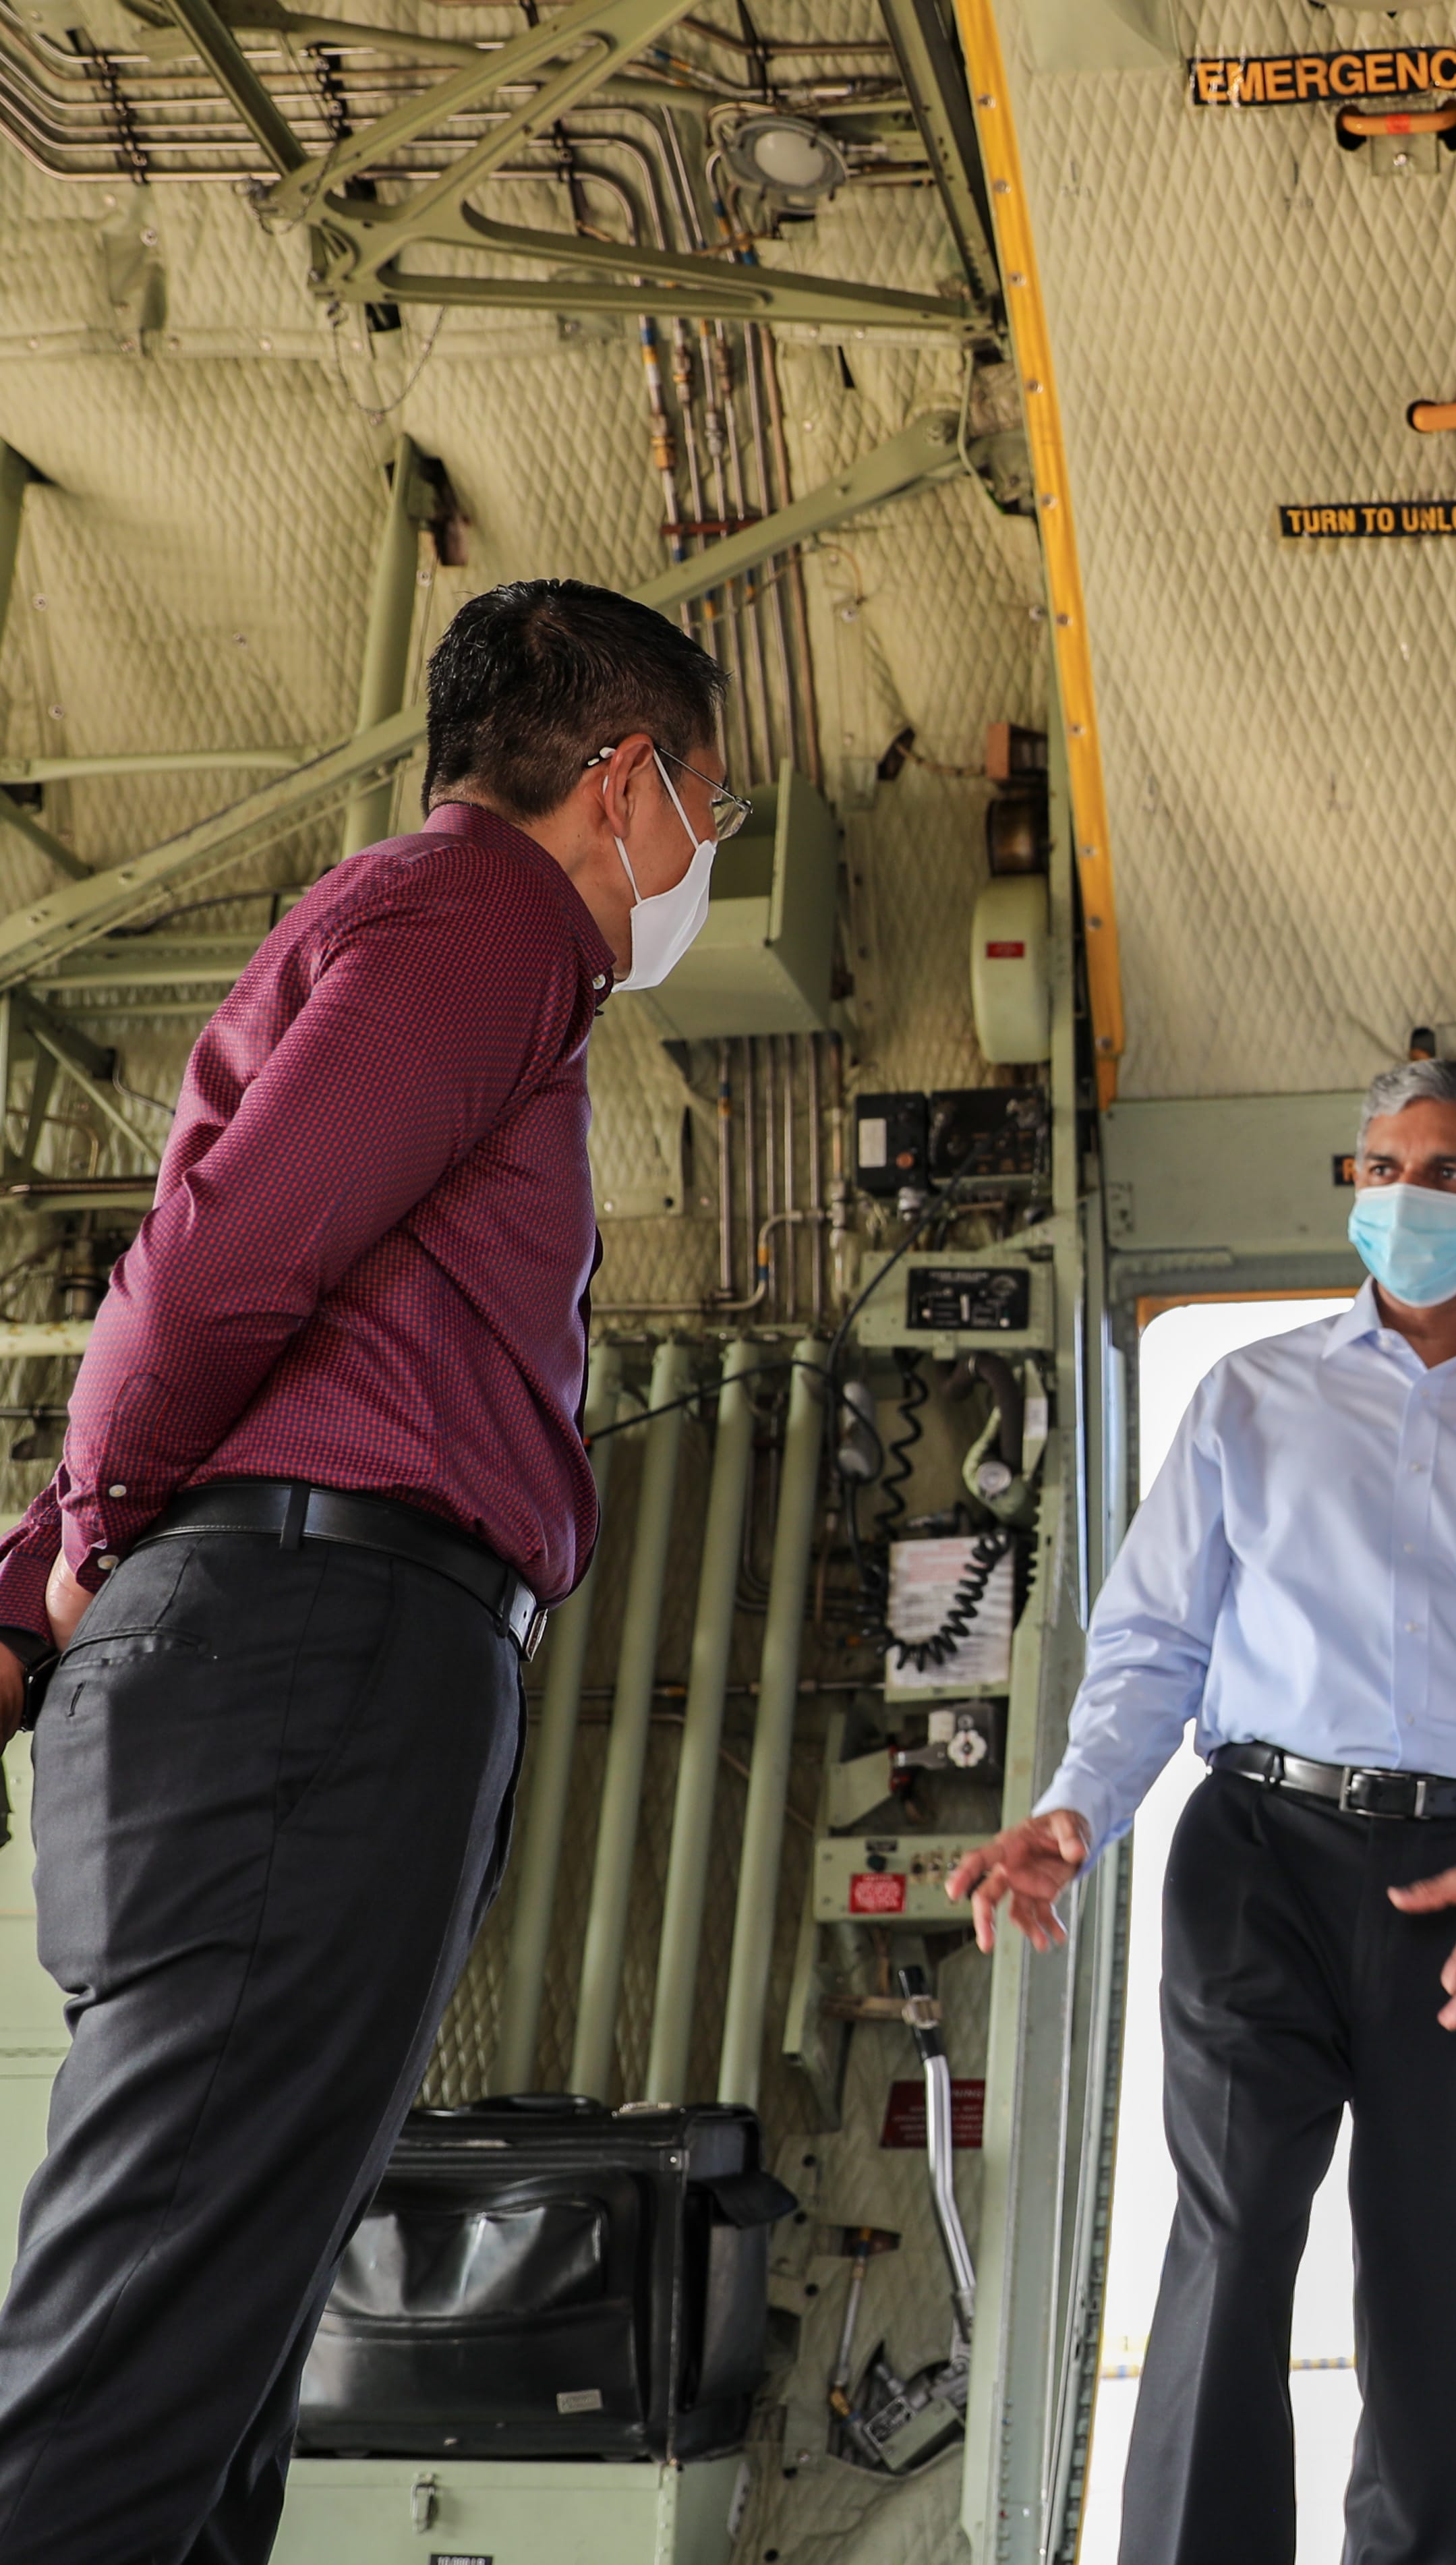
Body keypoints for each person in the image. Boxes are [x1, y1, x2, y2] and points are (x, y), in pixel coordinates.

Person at [0, 580, 737, 2562]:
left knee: (217, 2360)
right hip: (313, 1657)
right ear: (629, 782)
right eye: (713, 814)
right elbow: (226, 1272)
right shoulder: (490, 914)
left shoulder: (450, 940)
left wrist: (52, 1576)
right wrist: (79, 1541)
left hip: (313, 1658)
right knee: (140, 2362)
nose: (706, 866)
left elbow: (251, 1328)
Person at [952, 1056, 1456, 2565]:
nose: (1401, 1196)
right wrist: (1074, 1811)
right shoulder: (1253, 1396)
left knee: (1447, 2289)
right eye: (1376, 1167)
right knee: (1231, 2244)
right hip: (1259, 1862)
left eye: (1439, 1171)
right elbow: (1155, 1645)